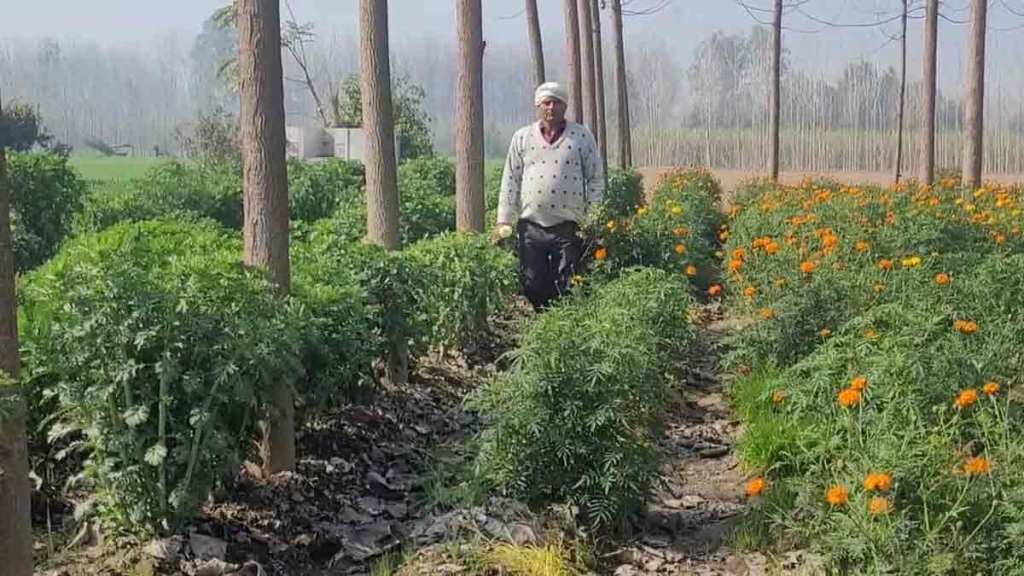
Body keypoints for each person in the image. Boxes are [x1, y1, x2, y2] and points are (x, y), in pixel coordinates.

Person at [493, 82, 605, 310]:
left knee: (567, 283)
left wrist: (593, 217)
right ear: (538, 106)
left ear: (565, 106)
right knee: (532, 283)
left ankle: (561, 326)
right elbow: (510, 179)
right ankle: (542, 320)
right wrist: (503, 219)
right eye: (546, 103)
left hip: (568, 225)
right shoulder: (522, 138)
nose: (551, 107)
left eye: (556, 103)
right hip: (531, 225)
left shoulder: (581, 137)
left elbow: (596, 178)